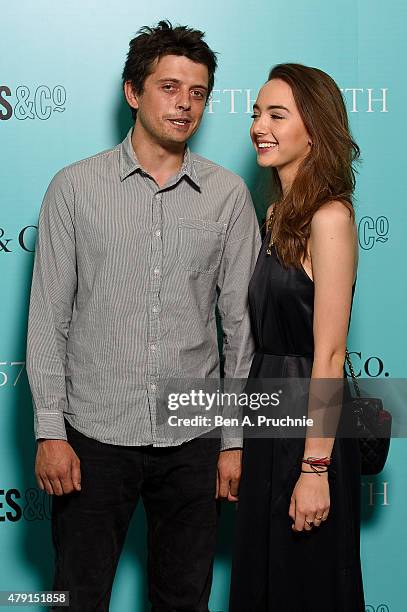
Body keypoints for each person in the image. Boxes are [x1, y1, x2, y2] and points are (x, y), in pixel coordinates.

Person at [26, 21, 260, 612]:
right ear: (133, 92)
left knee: (184, 599)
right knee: (76, 597)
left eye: (198, 93)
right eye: (169, 87)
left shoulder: (230, 195)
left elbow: (240, 330)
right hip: (93, 434)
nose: (184, 104)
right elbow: (48, 318)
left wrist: (233, 440)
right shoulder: (74, 188)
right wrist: (51, 431)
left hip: (195, 435)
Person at [229, 63, 365, 611]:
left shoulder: (330, 217)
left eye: (277, 114)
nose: (260, 125)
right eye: (257, 113)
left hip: (310, 429)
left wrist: (315, 469)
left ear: (315, 128)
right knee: (262, 582)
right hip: (268, 416)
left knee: (303, 583)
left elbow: (329, 352)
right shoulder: (277, 214)